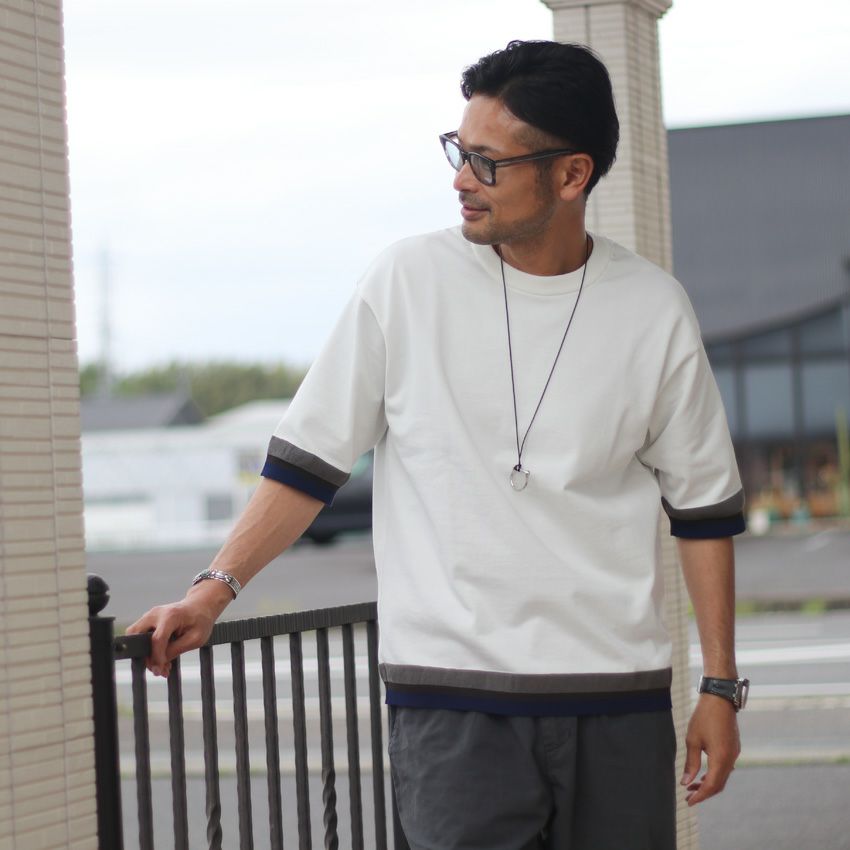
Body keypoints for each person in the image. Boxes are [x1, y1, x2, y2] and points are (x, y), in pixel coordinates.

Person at [129, 40, 747, 850]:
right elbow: (308, 464)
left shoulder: (654, 309)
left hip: (617, 702)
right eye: (459, 151)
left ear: (572, 175)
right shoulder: (405, 283)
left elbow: (703, 510)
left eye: (488, 162)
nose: (461, 179)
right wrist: (211, 593)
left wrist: (719, 687)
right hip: (452, 707)